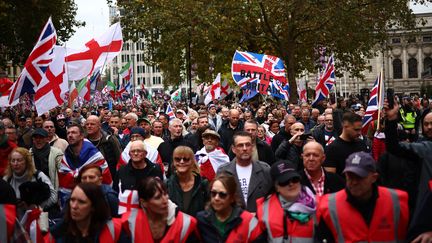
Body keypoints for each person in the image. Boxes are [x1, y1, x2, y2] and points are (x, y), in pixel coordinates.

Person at [317, 152, 409, 242]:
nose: (354, 182)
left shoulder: (397, 201)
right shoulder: (329, 205)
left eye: (359, 177)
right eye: (350, 176)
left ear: (374, 177)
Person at [122, 176, 199, 242]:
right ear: (144, 202)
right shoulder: (130, 222)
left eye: (165, 194)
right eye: (158, 197)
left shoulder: (186, 224)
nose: (165, 200)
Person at [256, 160, 317, 242]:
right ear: (276, 187)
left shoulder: (318, 205)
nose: (291, 184)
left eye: (294, 179)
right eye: (284, 181)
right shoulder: (263, 209)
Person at [46, 183, 127, 242]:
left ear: (93, 206)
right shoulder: (58, 234)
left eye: (81, 202)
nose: (74, 206)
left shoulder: (113, 230)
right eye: (72, 200)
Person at [197, 173, 265, 242]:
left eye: (222, 195)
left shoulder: (248, 221)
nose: (216, 198)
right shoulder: (201, 220)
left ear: (232, 198)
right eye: (213, 193)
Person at [58, 123, 112, 208]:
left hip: (95, 200)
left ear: (81, 136)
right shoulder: (66, 156)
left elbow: (104, 177)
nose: (70, 135)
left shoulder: (93, 155)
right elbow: (63, 177)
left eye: (73, 132)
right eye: (68, 133)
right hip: (74, 201)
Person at [217, 131, 272, 212]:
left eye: (248, 145)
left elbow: (271, 199)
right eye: (240, 145)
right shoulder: (223, 171)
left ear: (252, 147)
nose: (245, 148)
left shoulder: (265, 170)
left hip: (258, 221)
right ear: (233, 149)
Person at [4, 147, 57, 218]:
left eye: (19, 160)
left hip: (35, 219)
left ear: (27, 162)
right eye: (13, 160)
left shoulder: (38, 175)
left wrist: (37, 207)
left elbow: (54, 196)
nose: (16, 163)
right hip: (14, 220)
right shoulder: (7, 179)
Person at [166, 146, 209, 217]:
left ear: (192, 161)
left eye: (186, 159)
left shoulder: (203, 184)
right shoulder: (167, 184)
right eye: (177, 159)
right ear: (173, 162)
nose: (181, 162)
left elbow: (208, 211)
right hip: (175, 226)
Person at [29, 128, 63, 192]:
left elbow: (62, 173)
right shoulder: (29, 154)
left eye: (41, 138)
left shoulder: (57, 153)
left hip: (52, 190)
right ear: (33, 140)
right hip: (36, 191)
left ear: (47, 139)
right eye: (35, 138)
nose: (38, 140)